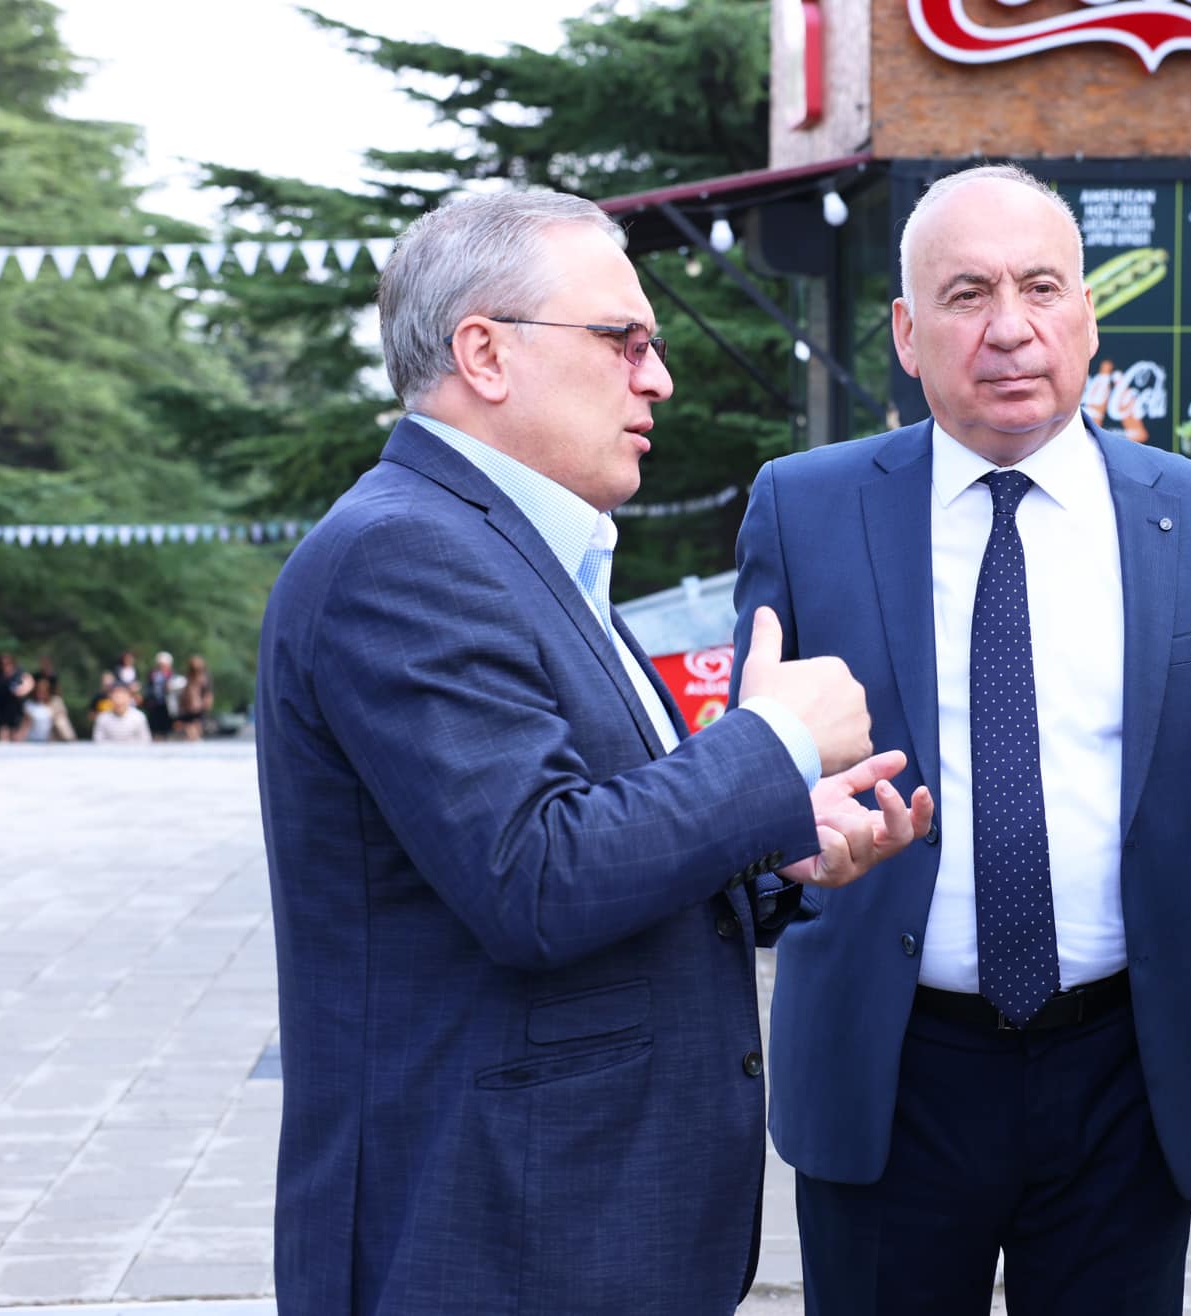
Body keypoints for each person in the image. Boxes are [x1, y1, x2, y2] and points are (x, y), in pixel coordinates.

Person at [256, 189, 932, 1316]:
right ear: (484, 352)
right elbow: (534, 876)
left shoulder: (511, 549)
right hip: (493, 1240)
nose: (656, 377)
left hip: (569, 1224)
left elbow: (590, 830)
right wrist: (774, 740)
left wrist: (777, 841)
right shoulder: (404, 555)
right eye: (622, 340)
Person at [733, 164, 1191, 1315]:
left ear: (1086, 314)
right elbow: (760, 780)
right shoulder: (803, 508)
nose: (1009, 327)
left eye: (1039, 287)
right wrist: (784, 846)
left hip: (1127, 1073)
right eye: (967, 293)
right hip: (889, 1073)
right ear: (906, 331)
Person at [0, 652, 33, 742]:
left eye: (8, 663)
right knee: (3, 738)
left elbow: (28, 684)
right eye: (2, 664)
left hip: (18, 712)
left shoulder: (20, 674)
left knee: (17, 739)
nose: (5, 666)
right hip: (2, 713)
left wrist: (20, 690)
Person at [22, 677, 77, 743]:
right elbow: (26, 724)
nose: (41, 694)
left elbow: (62, 719)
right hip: (33, 739)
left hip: (51, 738)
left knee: (61, 720)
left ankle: (70, 741)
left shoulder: (56, 702)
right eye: (39, 691)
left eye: (44, 691)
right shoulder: (30, 704)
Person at [172, 655, 212, 740]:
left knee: (197, 726)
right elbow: (185, 693)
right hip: (189, 707)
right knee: (190, 726)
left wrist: (205, 703)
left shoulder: (204, 678)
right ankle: (193, 739)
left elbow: (207, 693)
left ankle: (195, 739)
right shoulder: (188, 678)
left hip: (199, 707)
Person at [144, 651, 175, 740]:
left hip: (167, 705)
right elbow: (148, 688)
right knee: (155, 728)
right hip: (154, 704)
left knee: (166, 728)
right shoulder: (152, 674)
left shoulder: (172, 675)